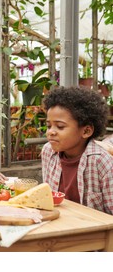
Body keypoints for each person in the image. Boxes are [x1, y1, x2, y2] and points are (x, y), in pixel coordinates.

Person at [41, 86, 113, 214]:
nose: (50, 132)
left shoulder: (101, 162)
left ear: (86, 131)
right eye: (48, 125)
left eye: (60, 126)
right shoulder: (48, 151)